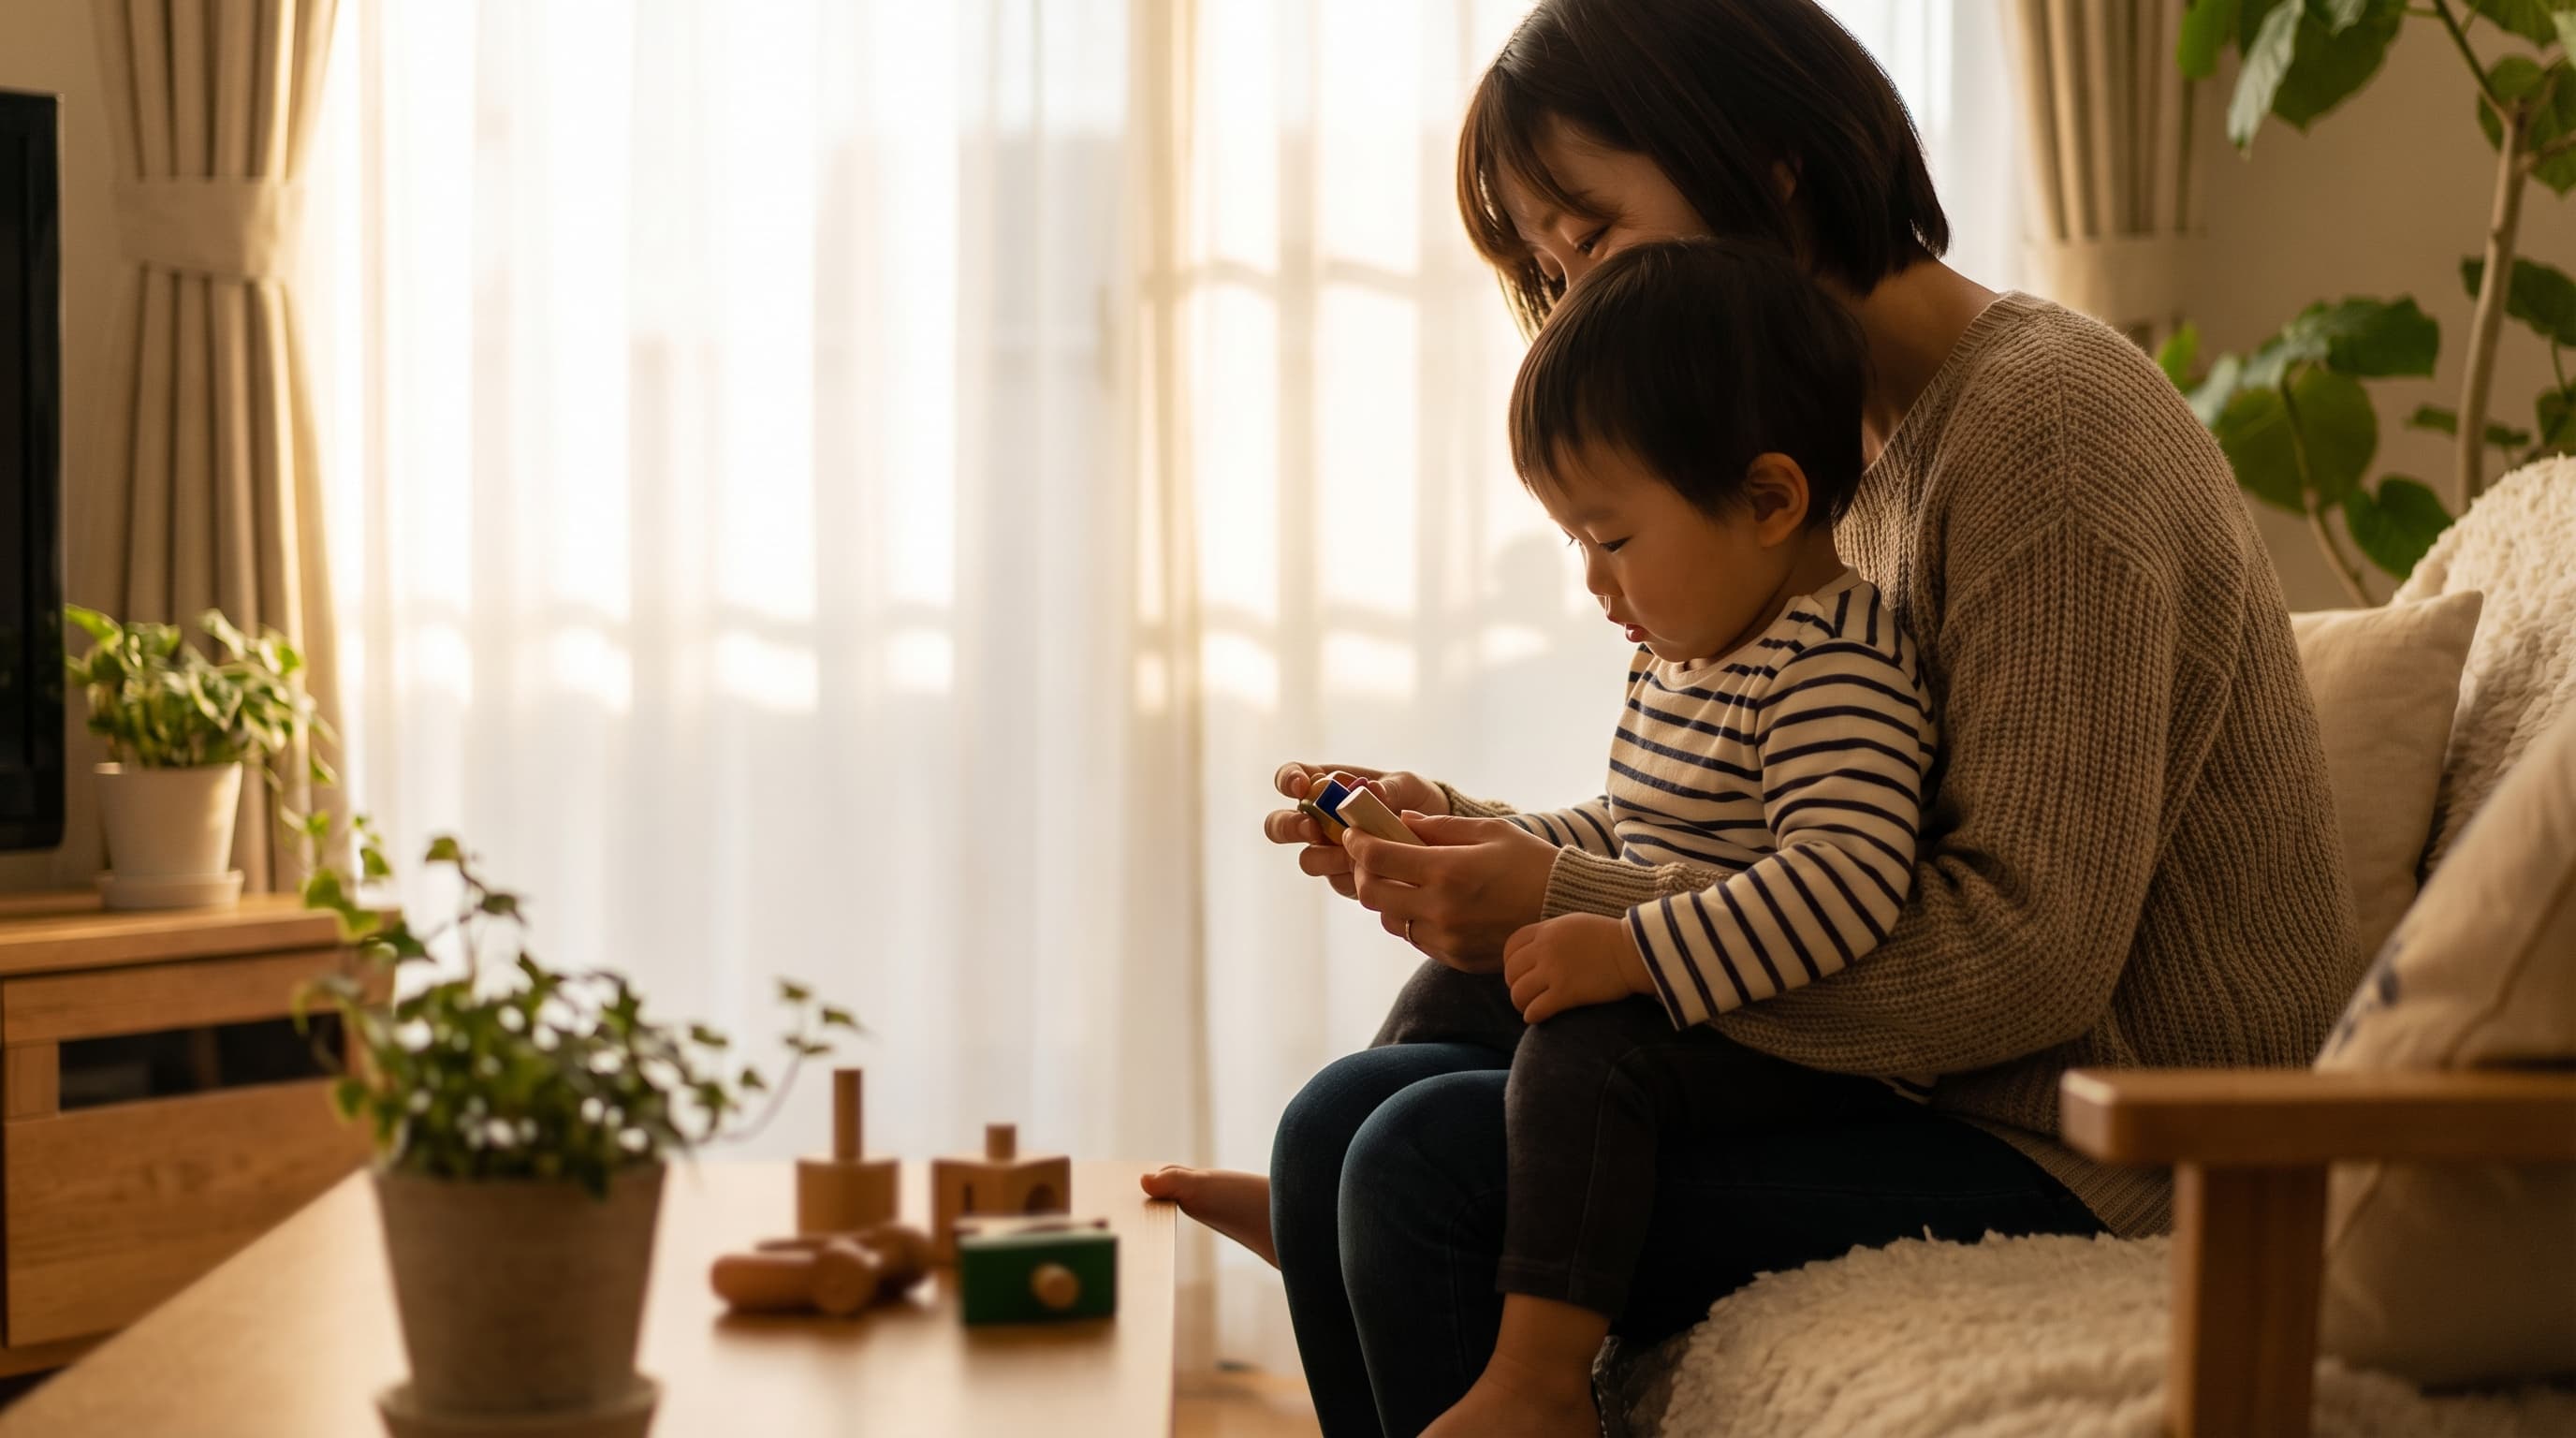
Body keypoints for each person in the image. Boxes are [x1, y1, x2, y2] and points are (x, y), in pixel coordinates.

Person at [1148, 2, 2360, 1434]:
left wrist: (1568, 902)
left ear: (1772, 167)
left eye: (1591, 237)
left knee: (1424, 1167)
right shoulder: (1804, 458)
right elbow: (1725, 821)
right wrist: (1480, 842)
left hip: (2093, 1144)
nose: (1577, 292)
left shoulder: (2046, 437)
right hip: (1914, 1084)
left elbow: (2026, 963)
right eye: (1548, 267)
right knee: (1339, 1126)